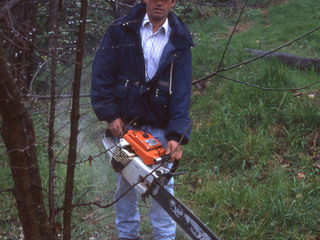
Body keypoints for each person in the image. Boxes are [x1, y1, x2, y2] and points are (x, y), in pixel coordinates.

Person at [91, 0, 193, 239]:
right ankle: (127, 235)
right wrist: (111, 114)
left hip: (159, 129)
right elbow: (102, 73)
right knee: (123, 184)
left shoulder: (180, 40)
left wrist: (176, 135)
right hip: (124, 127)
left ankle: (164, 237)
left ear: (173, 2)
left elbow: (181, 94)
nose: (159, 2)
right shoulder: (120, 29)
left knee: (163, 190)